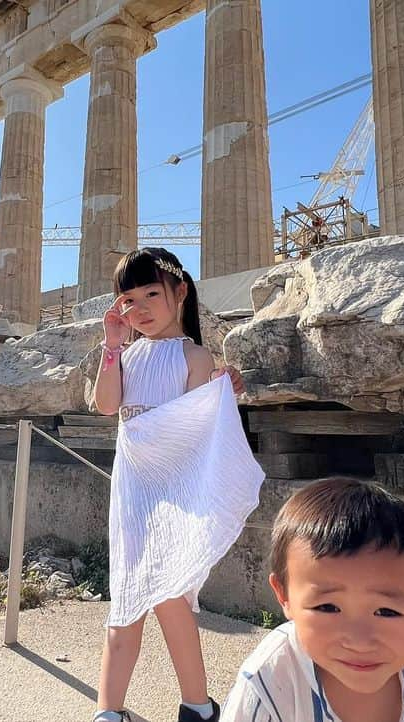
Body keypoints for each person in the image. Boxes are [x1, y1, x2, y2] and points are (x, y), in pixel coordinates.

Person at [92, 247, 266, 722]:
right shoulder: (124, 357)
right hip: (133, 493)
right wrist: (111, 345)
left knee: (172, 598)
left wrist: (222, 390)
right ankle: (109, 711)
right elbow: (107, 406)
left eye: (151, 293)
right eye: (127, 300)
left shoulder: (195, 353)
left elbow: (196, 424)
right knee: (126, 597)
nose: (140, 307)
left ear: (180, 291)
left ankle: (195, 704)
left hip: (173, 492)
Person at [219, 477, 404, 722]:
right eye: (328, 607)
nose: (359, 642)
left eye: (386, 611)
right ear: (284, 596)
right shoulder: (269, 688)